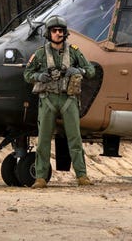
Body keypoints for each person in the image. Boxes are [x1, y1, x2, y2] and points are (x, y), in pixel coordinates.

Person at [23, 15, 95, 188]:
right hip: (47, 99)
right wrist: (38, 76)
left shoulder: (75, 51)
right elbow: (27, 75)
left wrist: (78, 70)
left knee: (75, 139)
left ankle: (82, 176)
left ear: (65, 33)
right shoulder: (40, 53)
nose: (58, 33)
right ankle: (40, 177)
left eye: (61, 30)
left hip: (68, 99)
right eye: (54, 31)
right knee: (43, 141)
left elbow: (90, 70)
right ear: (49, 33)